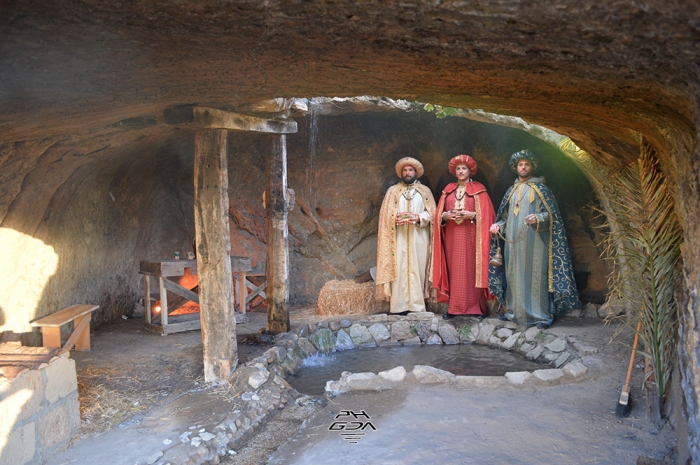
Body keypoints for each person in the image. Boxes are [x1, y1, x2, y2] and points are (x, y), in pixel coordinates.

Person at [488, 150, 579, 329]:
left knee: (536, 276)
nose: (523, 167)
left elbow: (551, 216)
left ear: (532, 167)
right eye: (520, 164)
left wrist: (539, 218)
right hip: (512, 244)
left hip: (536, 242)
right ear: (516, 168)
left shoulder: (542, 189)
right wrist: (498, 226)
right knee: (513, 275)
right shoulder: (511, 191)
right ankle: (513, 312)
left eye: (527, 164)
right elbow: (504, 217)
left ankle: (541, 316)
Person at [432, 155, 496, 320]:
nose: (461, 171)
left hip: (472, 236)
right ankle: (454, 308)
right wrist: (446, 215)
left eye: (464, 168)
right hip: (453, 237)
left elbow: (488, 215)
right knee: (454, 269)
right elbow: (438, 214)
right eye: (458, 169)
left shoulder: (479, 189)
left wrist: (473, 214)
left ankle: (477, 308)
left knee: (472, 269)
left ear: (470, 171)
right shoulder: (448, 190)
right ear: (454, 171)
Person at [376, 157, 436, 314]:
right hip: (398, 238)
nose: (407, 173)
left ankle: (417, 306)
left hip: (419, 238)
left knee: (418, 268)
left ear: (416, 173)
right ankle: (399, 306)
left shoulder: (425, 192)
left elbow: (433, 215)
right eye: (405, 170)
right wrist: (394, 219)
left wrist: (419, 218)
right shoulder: (392, 191)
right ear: (400, 173)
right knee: (399, 269)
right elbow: (385, 216)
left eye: (410, 170)